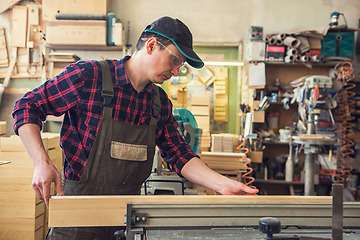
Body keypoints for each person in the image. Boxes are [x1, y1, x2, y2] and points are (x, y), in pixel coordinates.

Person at [12, 16, 258, 239]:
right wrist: (41, 163)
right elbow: (27, 106)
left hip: (126, 223)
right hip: (77, 219)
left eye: (180, 65)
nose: (175, 71)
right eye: (174, 60)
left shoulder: (159, 103)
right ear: (151, 46)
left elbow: (179, 155)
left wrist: (222, 184)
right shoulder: (89, 76)